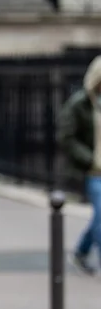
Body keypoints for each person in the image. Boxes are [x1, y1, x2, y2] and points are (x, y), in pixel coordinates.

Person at [59, 55, 101, 275]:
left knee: (98, 218)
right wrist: (89, 158)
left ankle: (80, 252)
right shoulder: (80, 103)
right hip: (94, 171)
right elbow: (66, 136)